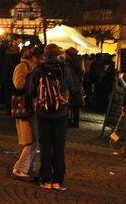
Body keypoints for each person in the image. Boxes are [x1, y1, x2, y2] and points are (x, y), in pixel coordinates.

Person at [28, 43, 78, 191]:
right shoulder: (65, 69)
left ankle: (45, 179)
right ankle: (58, 180)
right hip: (61, 112)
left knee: (45, 146)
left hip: (43, 113)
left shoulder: (38, 69)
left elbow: (30, 90)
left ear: (45, 55)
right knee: (58, 147)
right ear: (58, 55)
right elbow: (74, 88)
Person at [11, 46, 43, 181]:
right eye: (41, 58)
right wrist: (32, 78)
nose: (42, 61)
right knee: (32, 140)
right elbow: (19, 84)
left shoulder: (32, 67)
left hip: (32, 106)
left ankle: (29, 168)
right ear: (34, 57)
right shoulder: (23, 66)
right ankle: (20, 169)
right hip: (26, 106)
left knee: (33, 139)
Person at [65, 47, 85, 128]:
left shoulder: (72, 63)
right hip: (78, 84)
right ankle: (74, 121)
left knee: (74, 104)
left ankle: (73, 122)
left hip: (74, 85)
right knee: (75, 105)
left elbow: (72, 76)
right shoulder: (79, 61)